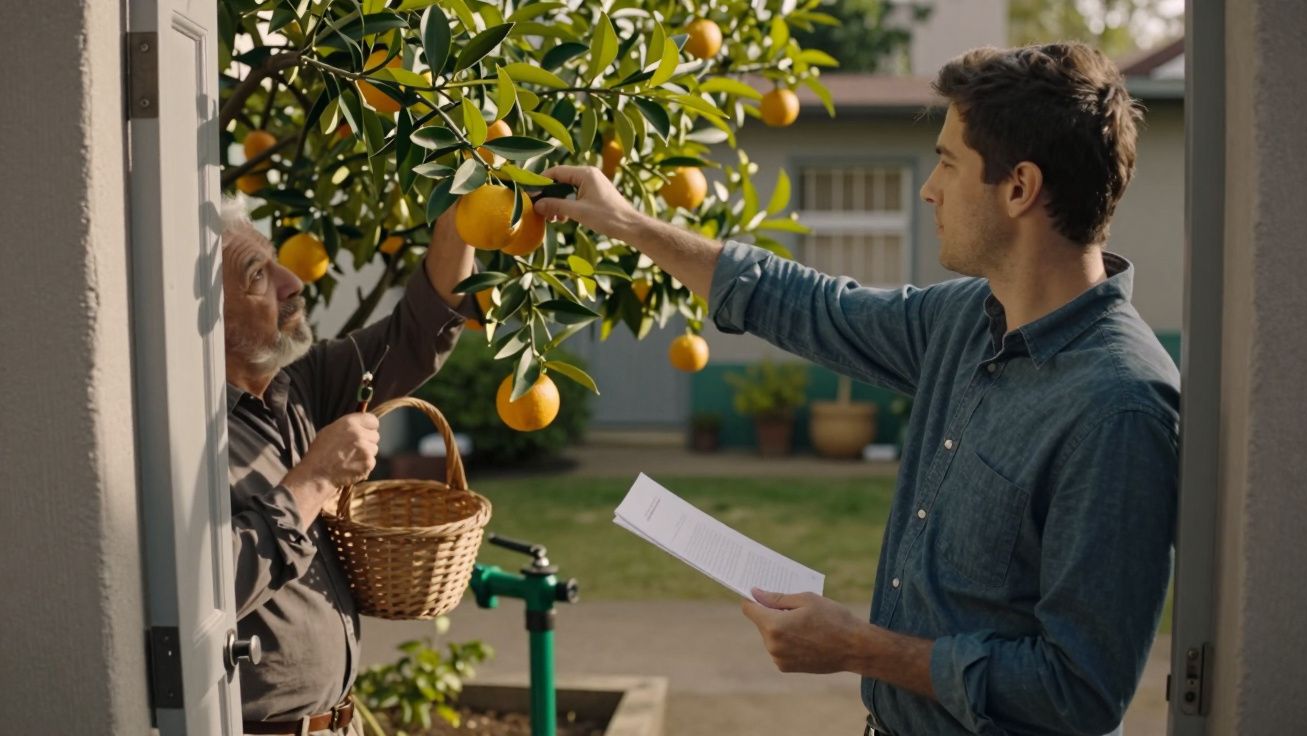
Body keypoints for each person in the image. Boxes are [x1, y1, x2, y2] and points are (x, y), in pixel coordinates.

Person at [533, 42, 1179, 736]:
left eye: (948, 162)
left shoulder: (1119, 407)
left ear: (1019, 188)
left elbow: (1079, 691)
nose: (929, 188)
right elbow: (808, 305)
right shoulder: (963, 321)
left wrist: (857, 648)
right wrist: (627, 223)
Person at [221, 200, 476, 735]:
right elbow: (209, 590)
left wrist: (464, 208)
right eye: (257, 275)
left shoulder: (296, 384)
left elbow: (419, 332)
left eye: (276, 262)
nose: (293, 283)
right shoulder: (187, 440)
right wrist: (315, 479)